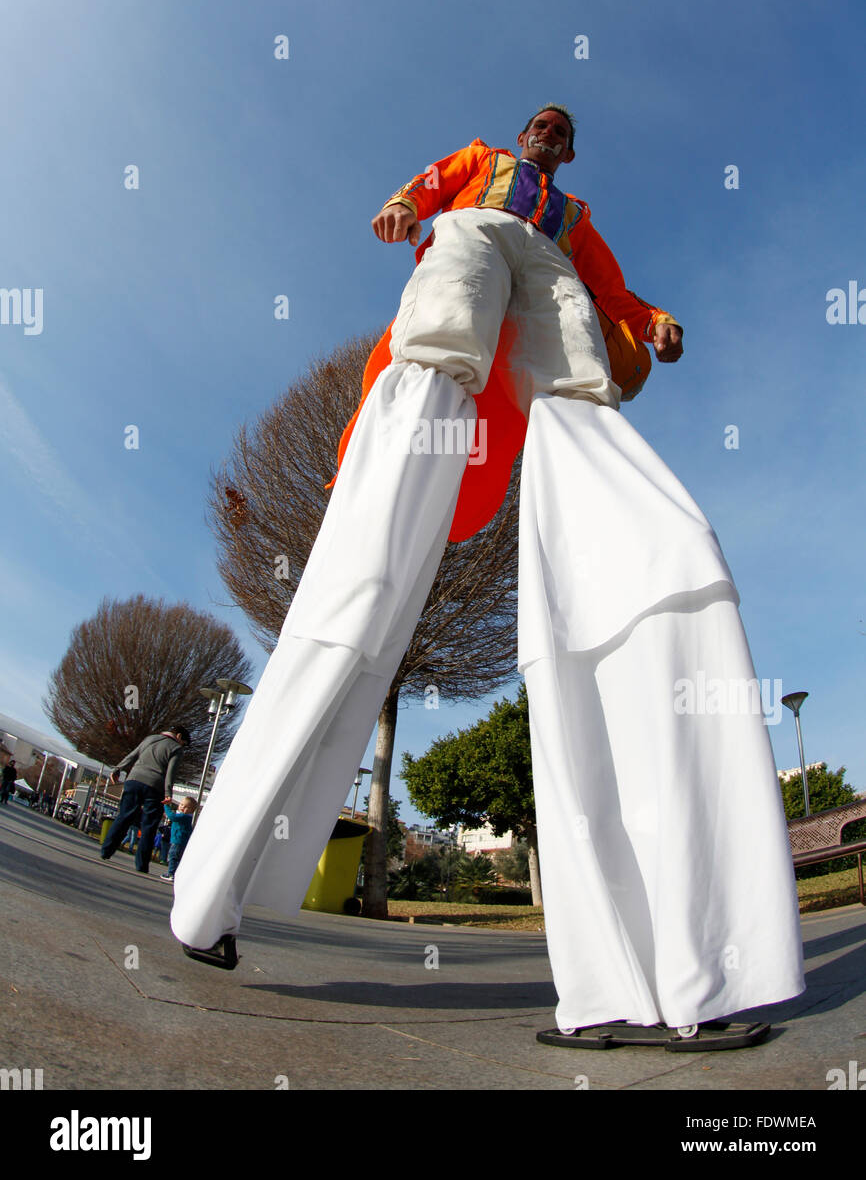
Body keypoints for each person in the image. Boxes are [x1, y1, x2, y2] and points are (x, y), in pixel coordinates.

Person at [170, 106, 805, 1050]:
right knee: (441, 338)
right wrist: (402, 202)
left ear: (571, 151)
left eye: (559, 131)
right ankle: (212, 892)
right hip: (467, 246)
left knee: (577, 378)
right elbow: (431, 182)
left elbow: (613, 290)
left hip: (544, 274)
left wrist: (655, 320)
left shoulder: (575, 220)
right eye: (539, 125)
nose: (546, 136)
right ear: (523, 135)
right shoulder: (481, 164)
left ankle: (661, 971)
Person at [100, 726, 191, 874]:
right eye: (184, 743)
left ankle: (106, 850)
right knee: (149, 825)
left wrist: (117, 769)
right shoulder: (176, 749)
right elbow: (170, 773)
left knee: (124, 816)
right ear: (179, 736)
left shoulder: (150, 739)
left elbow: (132, 755)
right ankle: (141, 865)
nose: (183, 747)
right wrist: (168, 793)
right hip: (155, 787)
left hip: (134, 780)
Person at [159, 797, 197, 882]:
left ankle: (171, 873)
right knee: (176, 858)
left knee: (173, 856)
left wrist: (166, 806)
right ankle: (176, 873)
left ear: (192, 810)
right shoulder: (184, 816)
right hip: (179, 841)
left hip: (178, 841)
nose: (182, 807)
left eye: (187, 807)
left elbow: (172, 817)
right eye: (181, 804)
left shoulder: (184, 816)